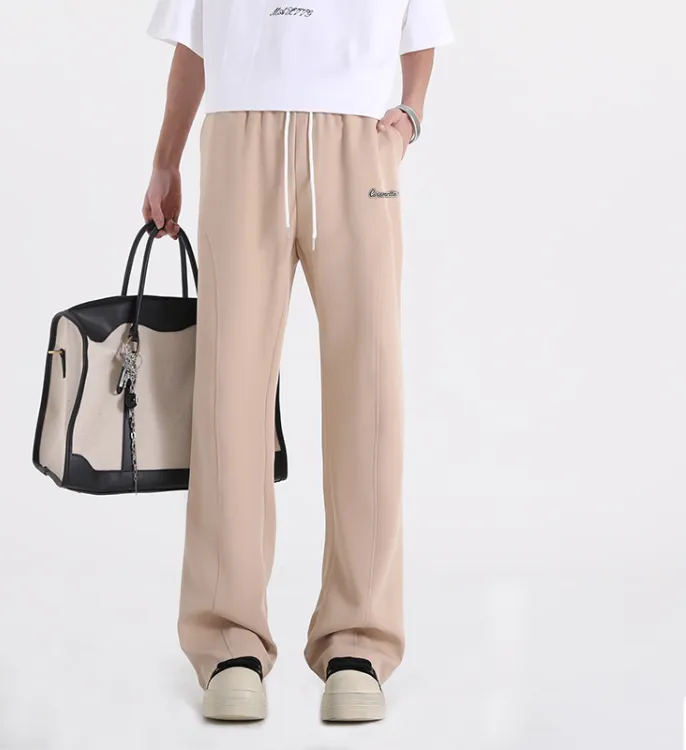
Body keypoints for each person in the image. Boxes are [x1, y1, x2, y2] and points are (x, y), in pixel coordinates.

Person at [143, 0, 454, 723]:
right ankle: (229, 642)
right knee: (228, 391)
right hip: (239, 141)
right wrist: (165, 159)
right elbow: (194, 43)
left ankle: (359, 642)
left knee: (369, 389)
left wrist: (409, 116)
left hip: (359, 146)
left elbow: (423, 29)